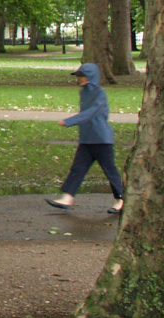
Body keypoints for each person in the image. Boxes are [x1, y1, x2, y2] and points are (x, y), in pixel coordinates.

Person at [46, 63, 124, 214]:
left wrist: (69, 121)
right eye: (79, 76)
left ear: (91, 77)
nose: (80, 79)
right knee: (78, 168)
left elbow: (91, 113)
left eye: (83, 76)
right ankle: (67, 197)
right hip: (87, 139)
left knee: (110, 170)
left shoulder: (100, 93)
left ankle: (120, 199)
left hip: (102, 139)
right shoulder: (83, 93)